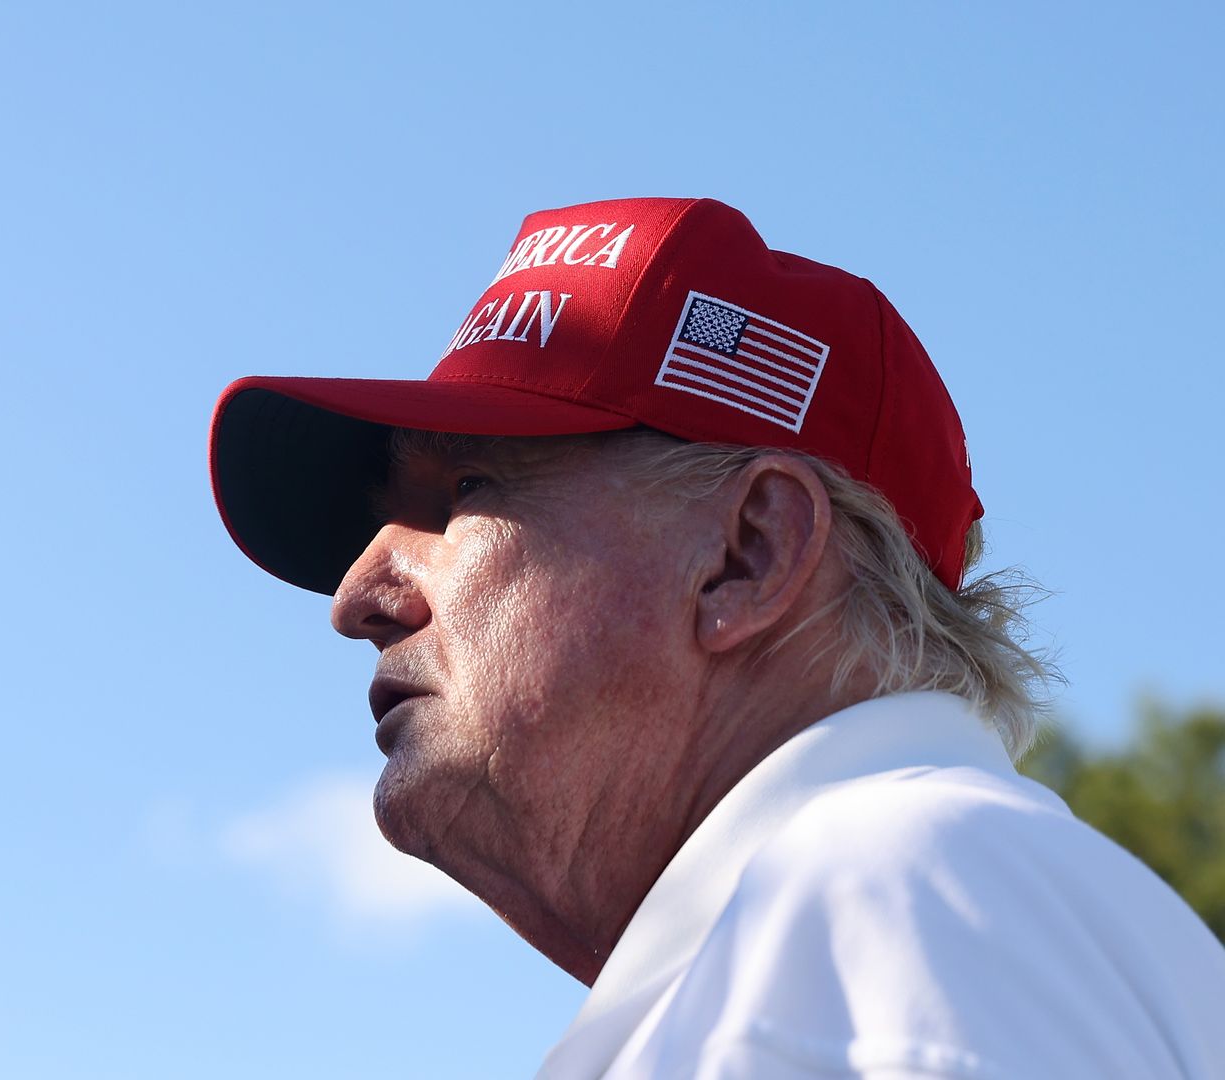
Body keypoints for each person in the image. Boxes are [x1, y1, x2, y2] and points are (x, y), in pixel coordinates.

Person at [206, 197, 1225, 1079]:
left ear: (747, 553)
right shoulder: (880, 926)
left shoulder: (873, 910)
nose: (357, 596)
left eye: (466, 491)